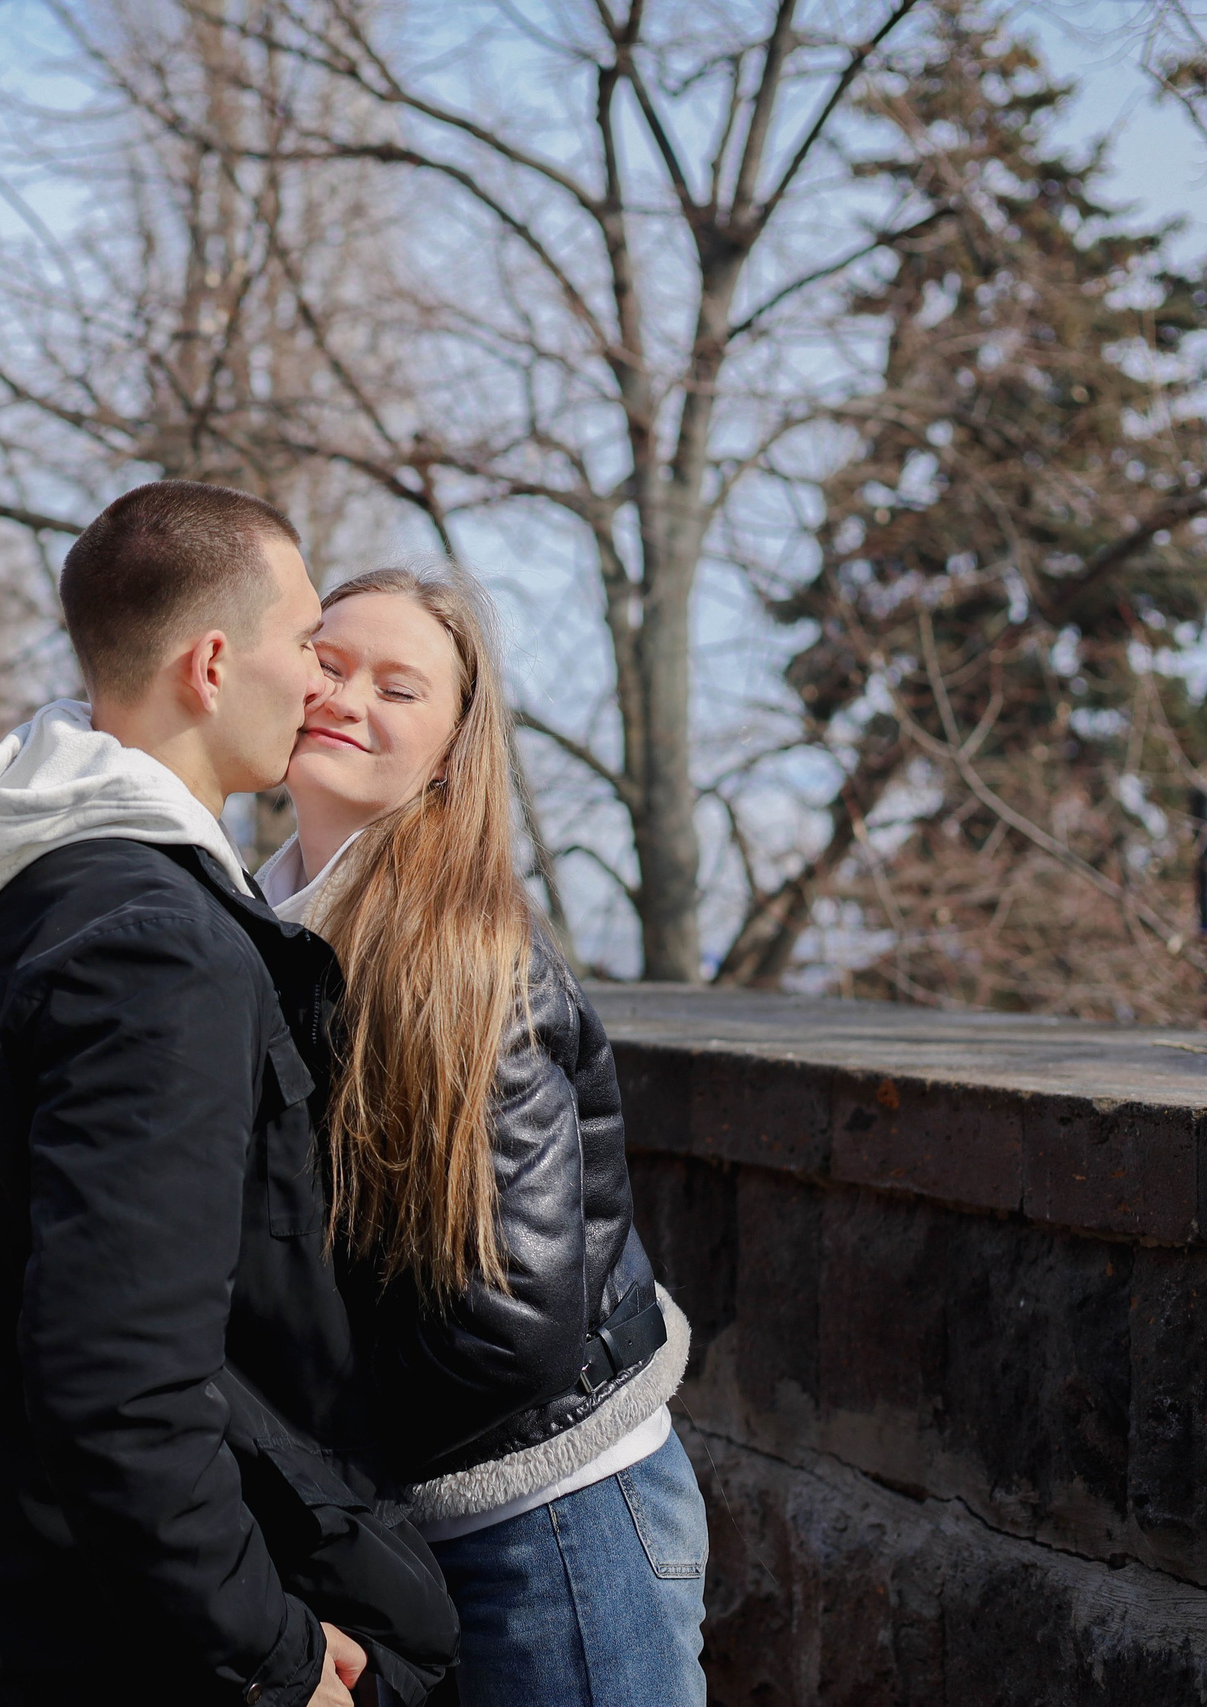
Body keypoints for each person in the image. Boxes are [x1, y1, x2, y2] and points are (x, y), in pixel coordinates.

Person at [0, 484, 454, 1707]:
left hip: (64, 1622)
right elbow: (118, 1381)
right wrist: (272, 1656)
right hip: (148, 1658)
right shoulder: (155, 946)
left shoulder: (38, 889)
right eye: (305, 642)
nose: (317, 680)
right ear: (211, 666)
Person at [256, 566, 707, 1707]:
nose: (345, 697)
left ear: (454, 749)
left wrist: (296, 1453)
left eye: (397, 687)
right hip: (419, 1524)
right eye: (326, 661)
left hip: (555, 1529)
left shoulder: (463, 963)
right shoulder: (262, 925)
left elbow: (511, 1328)